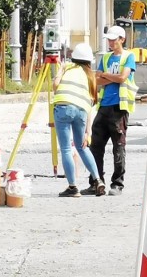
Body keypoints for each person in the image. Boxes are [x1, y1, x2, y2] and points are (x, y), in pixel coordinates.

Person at [82, 25, 137, 197]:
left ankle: (117, 184)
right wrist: (109, 77)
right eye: (109, 39)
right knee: (95, 146)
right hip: (104, 106)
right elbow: (96, 81)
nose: (111, 42)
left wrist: (106, 76)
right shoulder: (105, 58)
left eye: (114, 39)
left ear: (122, 39)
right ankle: (96, 182)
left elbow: (123, 77)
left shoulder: (129, 56)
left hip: (119, 108)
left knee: (118, 147)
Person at [52, 43, 106, 197]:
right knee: (82, 147)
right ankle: (97, 180)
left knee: (66, 149)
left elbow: (55, 86)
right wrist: (88, 131)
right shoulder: (90, 77)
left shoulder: (68, 68)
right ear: (89, 61)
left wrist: (60, 70)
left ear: (73, 57)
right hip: (82, 112)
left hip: (63, 107)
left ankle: (72, 187)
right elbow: (90, 104)